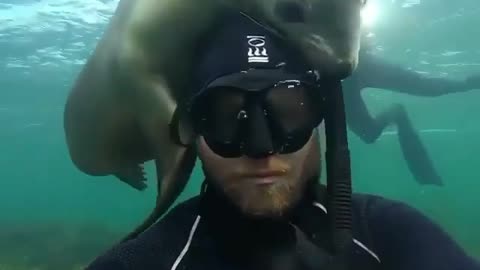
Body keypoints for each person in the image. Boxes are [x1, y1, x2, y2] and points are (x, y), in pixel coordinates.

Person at [86, 12, 480, 270]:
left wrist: (463, 82)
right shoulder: (140, 263)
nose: (262, 148)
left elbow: (415, 81)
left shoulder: (395, 235)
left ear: (323, 115)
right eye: (227, 117)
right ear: (194, 127)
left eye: (290, 110)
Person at [343, 48, 480, 186]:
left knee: (423, 86)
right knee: (369, 133)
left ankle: (468, 84)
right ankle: (396, 113)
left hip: (353, 60)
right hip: (340, 73)